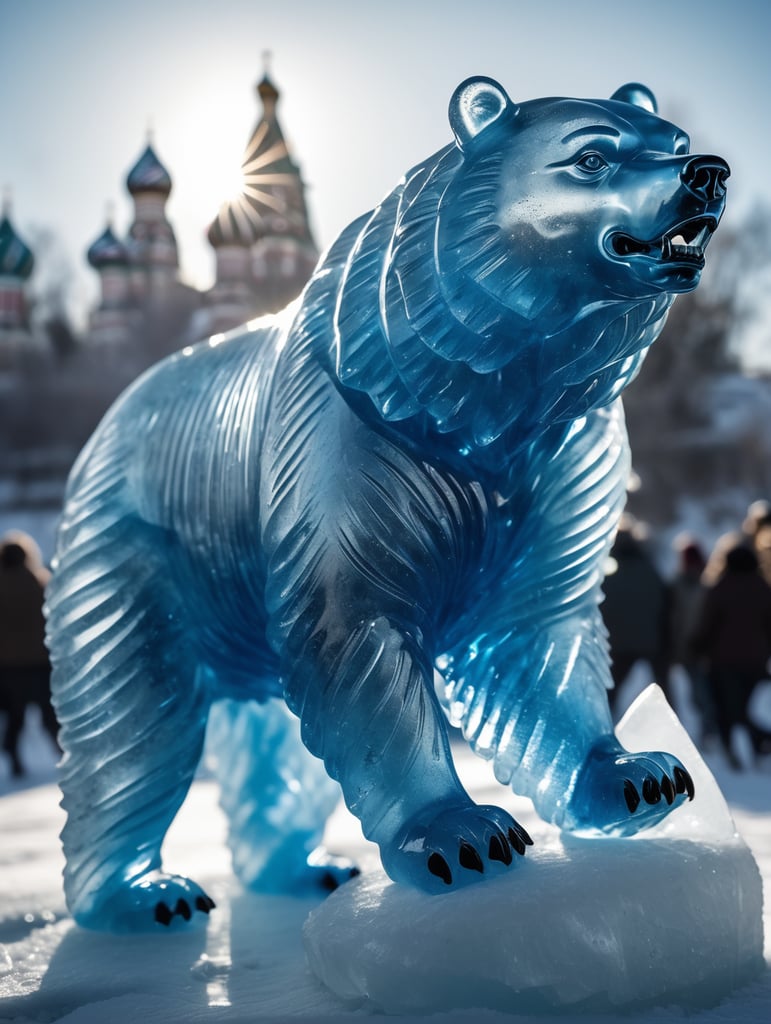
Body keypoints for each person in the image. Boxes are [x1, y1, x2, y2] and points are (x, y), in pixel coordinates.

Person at [692, 535, 771, 768]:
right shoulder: (763, 588)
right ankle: (760, 746)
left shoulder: (721, 588)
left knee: (727, 709)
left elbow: (708, 624)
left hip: (723, 661)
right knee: (748, 708)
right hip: (756, 659)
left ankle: (731, 749)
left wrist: (696, 647)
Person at [0, 531, 58, 776]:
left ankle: (14, 760)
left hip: (7, 666)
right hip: (39, 663)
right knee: (50, 716)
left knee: (15, 718)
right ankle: (67, 759)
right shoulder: (41, 583)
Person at [601, 518, 671, 715]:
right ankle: (675, 722)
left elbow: (604, 606)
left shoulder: (611, 571)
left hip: (620, 642)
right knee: (664, 689)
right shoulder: (648, 567)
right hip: (651, 639)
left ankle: (605, 723)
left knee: (611, 689)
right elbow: (664, 600)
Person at [668, 535, 716, 745]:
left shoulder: (706, 584)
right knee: (698, 694)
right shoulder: (688, 584)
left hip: (699, 648)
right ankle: (707, 731)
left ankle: (709, 731)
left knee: (701, 694)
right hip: (690, 648)